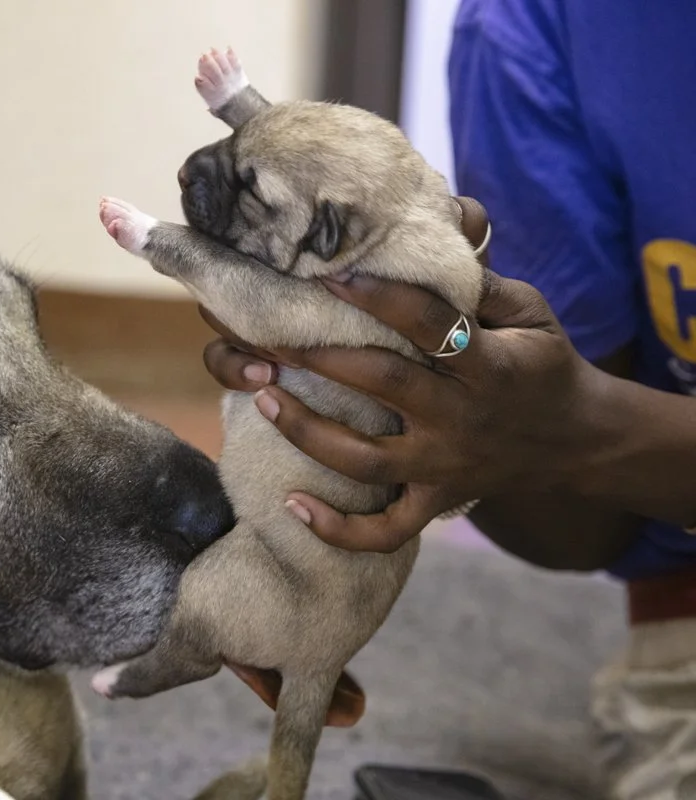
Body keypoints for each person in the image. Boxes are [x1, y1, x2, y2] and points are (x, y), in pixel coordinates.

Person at [201, 1, 696, 797]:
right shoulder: (537, 27)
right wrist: (448, 415)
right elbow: (576, 522)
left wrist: (592, 432)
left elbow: (582, 438)